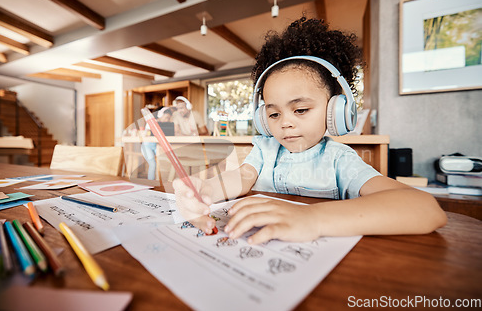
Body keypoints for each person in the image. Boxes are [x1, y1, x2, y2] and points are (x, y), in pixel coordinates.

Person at [173, 17, 447, 244]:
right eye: (274, 113)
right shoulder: (266, 151)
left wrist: (313, 218)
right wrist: (205, 190)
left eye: (301, 110)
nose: (285, 123)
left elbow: (427, 209)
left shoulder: (339, 159)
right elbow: (242, 177)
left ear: (336, 110)